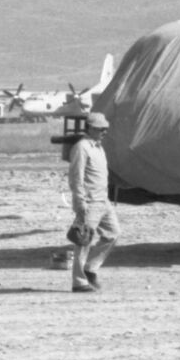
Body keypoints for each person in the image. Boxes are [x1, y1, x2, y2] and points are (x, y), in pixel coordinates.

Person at [68, 112, 119, 294]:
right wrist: (80, 201)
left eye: (105, 128)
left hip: (103, 201)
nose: (104, 131)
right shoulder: (82, 148)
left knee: (112, 234)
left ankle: (90, 269)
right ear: (89, 128)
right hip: (89, 203)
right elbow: (76, 177)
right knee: (83, 242)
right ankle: (79, 282)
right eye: (99, 129)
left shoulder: (98, 147)